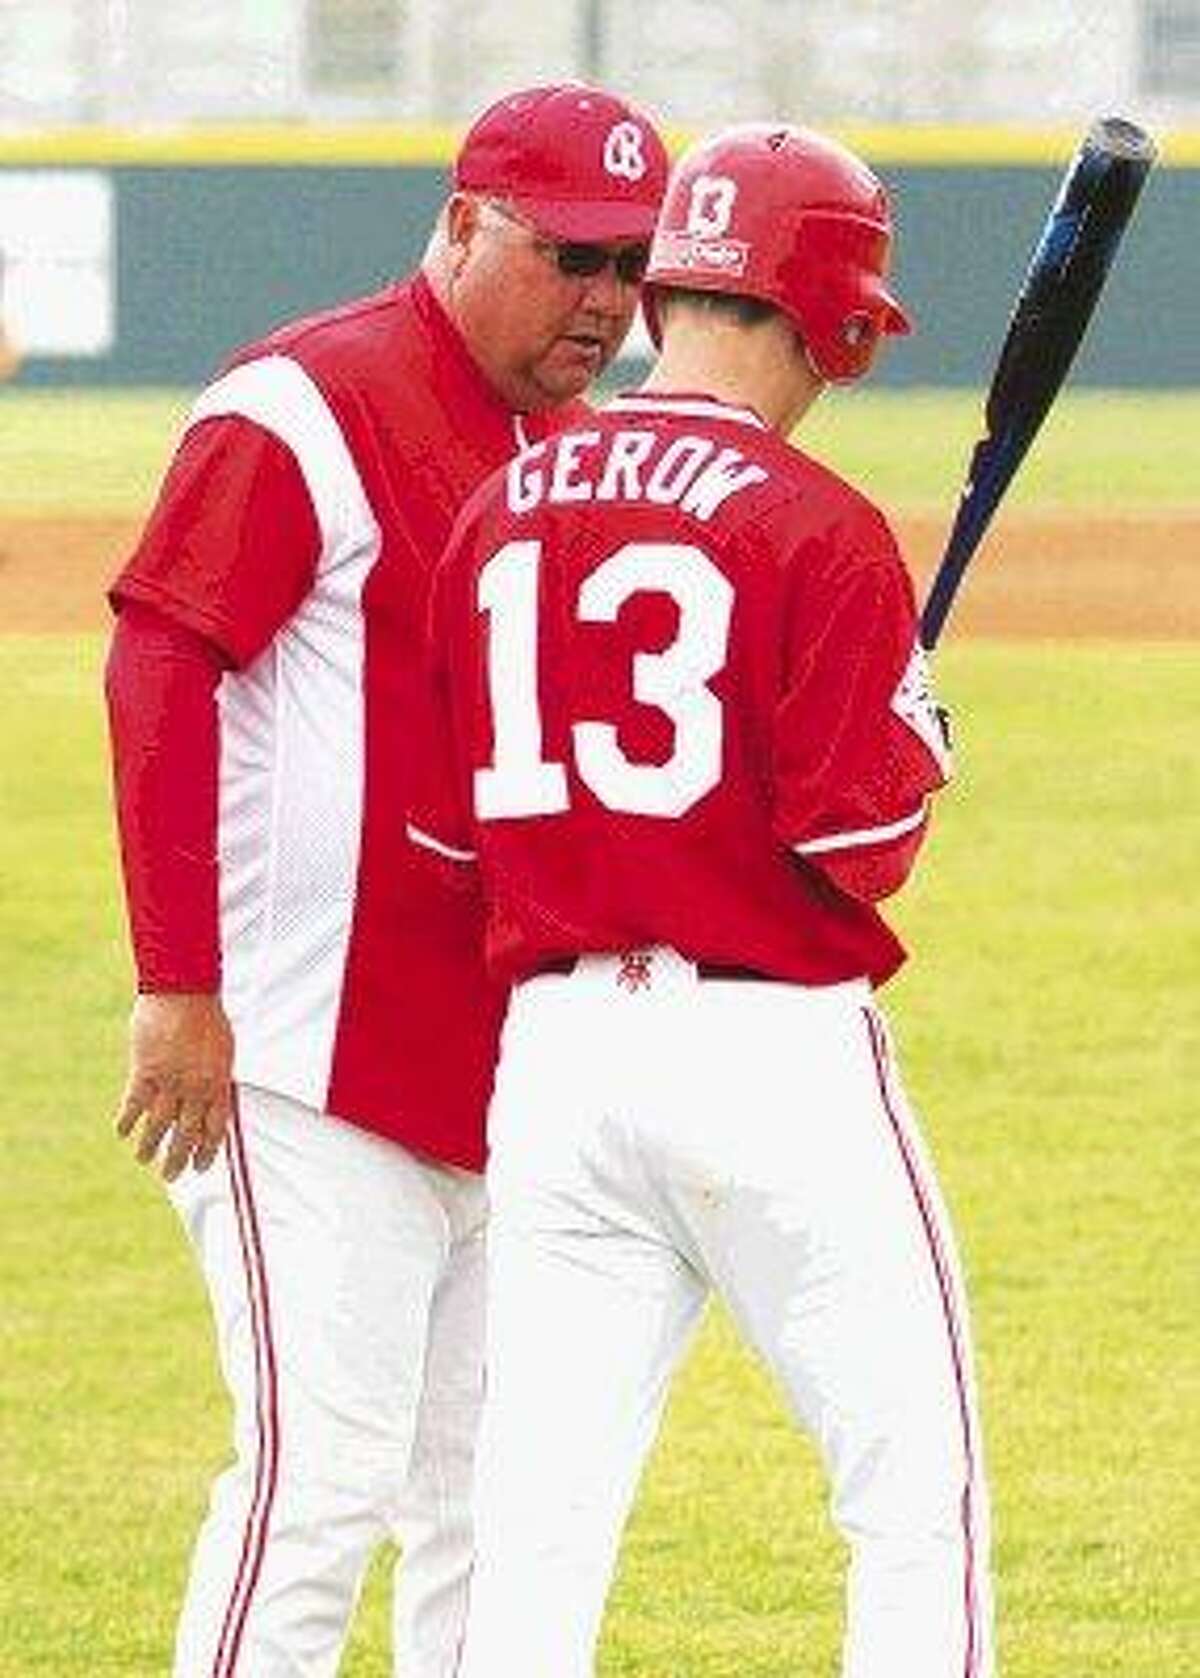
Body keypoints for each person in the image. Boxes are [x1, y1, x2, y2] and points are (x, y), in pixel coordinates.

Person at [406, 123, 995, 1677]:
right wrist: (916, 733)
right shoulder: (818, 522)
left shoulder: (496, 515)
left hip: (554, 1063)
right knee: (910, 1493)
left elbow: (470, 817)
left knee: (534, 1521)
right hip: (766, 1058)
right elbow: (857, 839)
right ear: (837, 316)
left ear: (667, 289)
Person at [104, 82, 667, 1677]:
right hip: (298, 1067)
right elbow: (159, 670)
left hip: (504, 1072)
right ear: (465, 222)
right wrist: (177, 984)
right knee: (314, 1489)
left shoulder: (573, 445)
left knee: (486, 1505)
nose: (607, 301)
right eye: (569, 254)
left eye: (630, 265)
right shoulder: (303, 404)